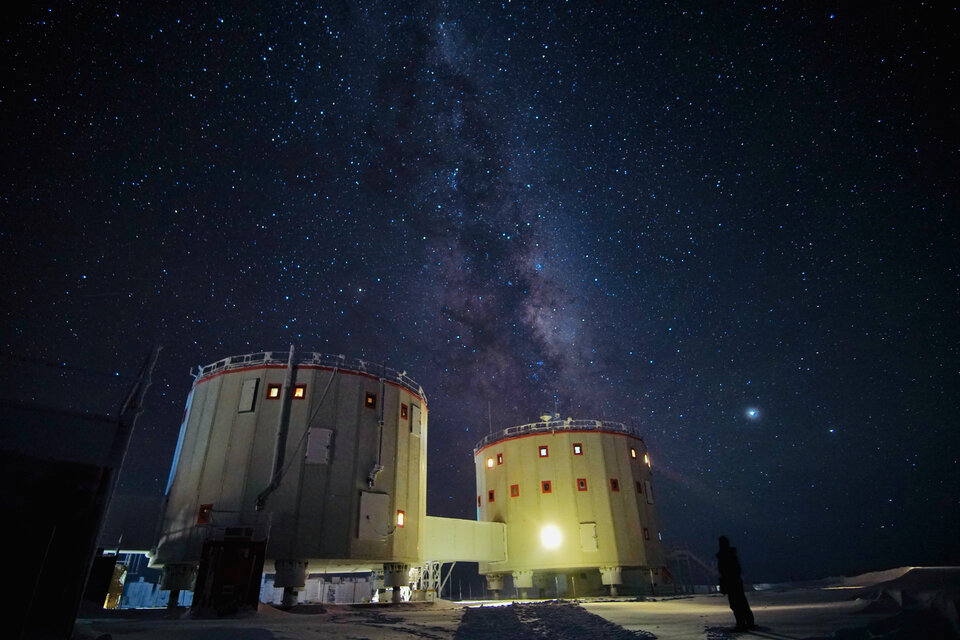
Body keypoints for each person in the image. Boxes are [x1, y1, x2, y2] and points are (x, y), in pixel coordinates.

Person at [717, 536, 755, 631]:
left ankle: (742, 623)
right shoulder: (728, 555)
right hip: (734, 582)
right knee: (740, 603)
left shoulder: (726, 556)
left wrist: (725, 582)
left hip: (732, 582)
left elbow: (726, 571)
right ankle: (746, 622)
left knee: (737, 603)